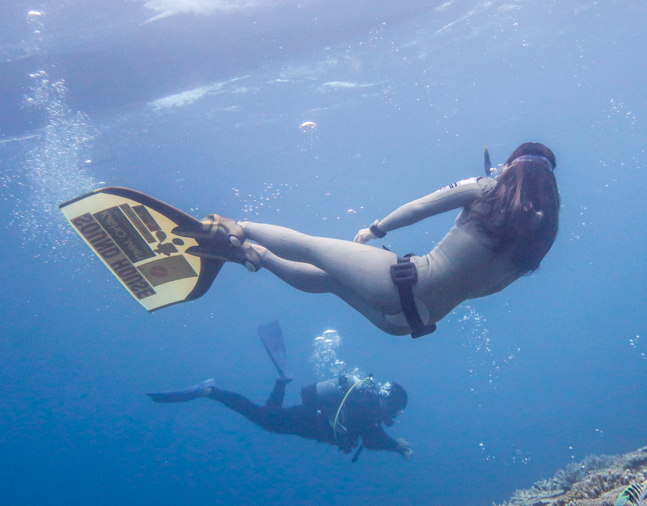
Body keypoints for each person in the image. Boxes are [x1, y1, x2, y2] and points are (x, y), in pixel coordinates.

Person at [178, 142, 560, 338]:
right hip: (411, 323)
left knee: (312, 246)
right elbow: (485, 289)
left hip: (401, 282)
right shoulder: (541, 238)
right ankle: (252, 254)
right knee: (329, 282)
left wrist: (376, 230)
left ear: (511, 167)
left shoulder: (486, 188)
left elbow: (418, 208)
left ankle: (233, 226)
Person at [147, 321, 412, 461]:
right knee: (262, 418)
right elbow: (374, 440)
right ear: (390, 402)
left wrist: (391, 444)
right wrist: (398, 446)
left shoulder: (366, 403)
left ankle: (282, 380)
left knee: (269, 415)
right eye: (396, 409)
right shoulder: (369, 410)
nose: (394, 414)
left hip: (309, 418)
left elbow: (370, 435)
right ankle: (211, 391)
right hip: (310, 421)